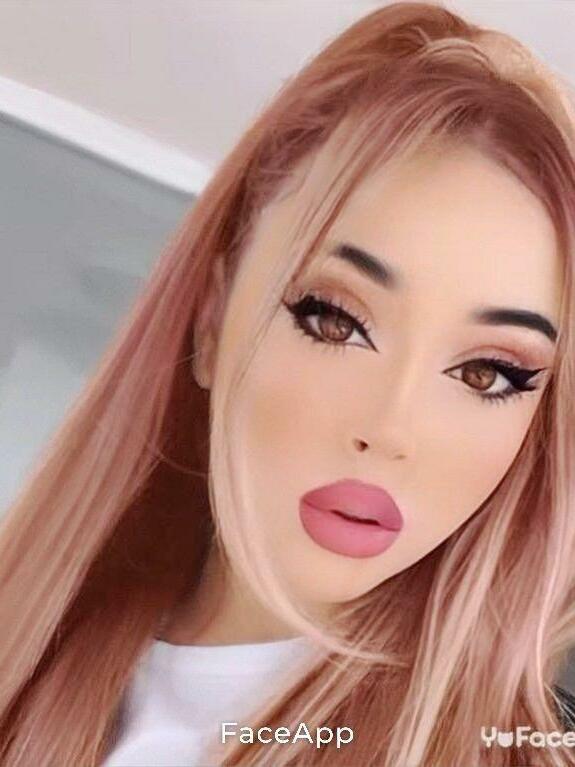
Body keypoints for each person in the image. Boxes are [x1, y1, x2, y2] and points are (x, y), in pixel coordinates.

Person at [2, 1, 575, 765]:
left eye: (486, 372)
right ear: (211, 321)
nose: (390, 427)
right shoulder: (36, 652)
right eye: (334, 321)